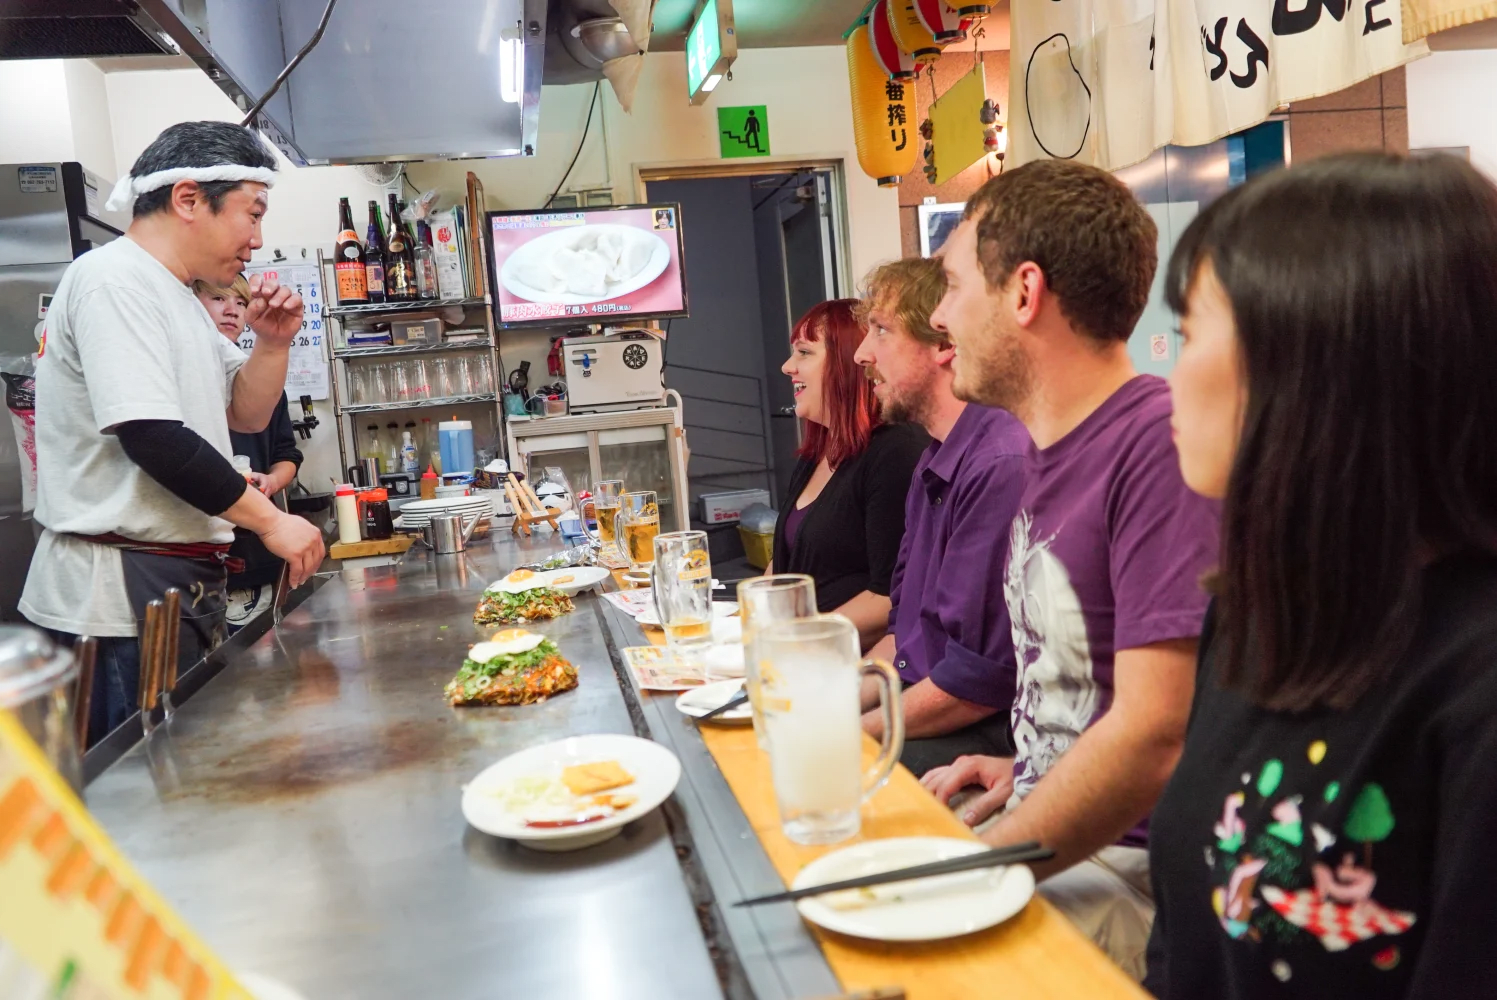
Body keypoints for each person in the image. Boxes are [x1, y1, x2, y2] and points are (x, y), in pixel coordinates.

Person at [1146, 153, 1497, 997]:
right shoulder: (1259, 607)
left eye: (1189, 335)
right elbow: (1185, 935)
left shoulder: (1474, 682)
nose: (1167, 376)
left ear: (1309, 367)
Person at [918, 160, 1219, 978]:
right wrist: (1027, 766)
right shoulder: (1049, 452)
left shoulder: (1152, 445)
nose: (939, 317)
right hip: (1059, 835)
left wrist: (970, 870)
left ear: (1023, 293)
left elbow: (1153, 735)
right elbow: (1094, 695)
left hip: (1128, 874)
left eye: (949, 286)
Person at [21, 120, 325, 745]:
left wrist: (272, 344)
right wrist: (270, 521)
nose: (258, 238)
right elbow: (151, 434)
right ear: (188, 199)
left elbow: (245, 415)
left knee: (184, 776)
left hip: (170, 584)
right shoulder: (114, 280)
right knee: (142, 793)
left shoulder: (180, 296)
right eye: (252, 213)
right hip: (117, 596)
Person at [850, 257, 1029, 776]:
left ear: (945, 343)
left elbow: (978, 686)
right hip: (930, 701)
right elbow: (906, 641)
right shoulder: (934, 455)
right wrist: (826, 697)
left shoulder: (1000, 463)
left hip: (982, 727)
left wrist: (844, 732)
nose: (862, 354)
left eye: (881, 330)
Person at [770, 299, 927, 649]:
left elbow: (891, 596)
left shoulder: (895, 451)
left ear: (846, 363)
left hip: (855, 668)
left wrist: (794, 636)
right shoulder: (819, 451)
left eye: (804, 353)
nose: (786, 367)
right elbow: (787, 561)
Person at [194, 275, 304, 631]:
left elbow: (287, 454)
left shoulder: (267, 384)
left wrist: (272, 481)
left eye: (241, 303)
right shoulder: (191, 376)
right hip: (202, 550)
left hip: (255, 546)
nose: (231, 310)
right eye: (218, 298)